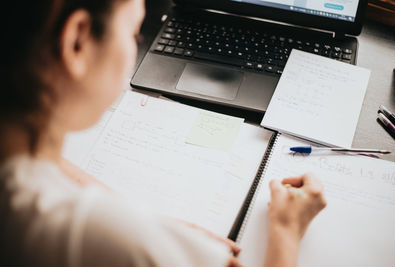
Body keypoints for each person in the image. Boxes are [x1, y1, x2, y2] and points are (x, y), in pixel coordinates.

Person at [0, 0, 327, 266]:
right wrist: (286, 230)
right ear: (78, 42)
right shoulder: (86, 234)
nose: (136, 46)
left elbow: (45, 166)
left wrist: (141, 221)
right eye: (133, 32)